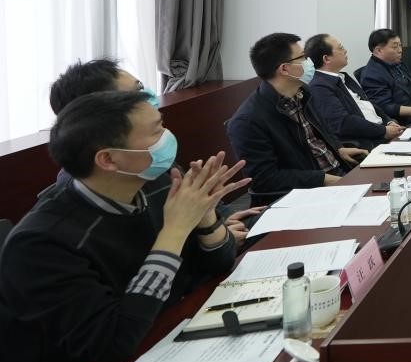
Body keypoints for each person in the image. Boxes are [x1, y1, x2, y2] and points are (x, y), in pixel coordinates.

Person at [0, 90, 248, 362]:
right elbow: (113, 341)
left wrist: (205, 215)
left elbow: (218, 264)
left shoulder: (156, 182)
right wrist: (174, 231)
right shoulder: (41, 243)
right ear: (108, 159)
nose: (167, 138)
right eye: (156, 131)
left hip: (170, 343)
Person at [46, 59, 262, 244]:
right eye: (135, 94)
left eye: (141, 87)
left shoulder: (147, 161)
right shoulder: (73, 216)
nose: (147, 96)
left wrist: (218, 219)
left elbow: (199, 207)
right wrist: (214, 233)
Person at [227, 32, 368, 203]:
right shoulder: (248, 121)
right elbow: (265, 179)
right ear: (284, 69)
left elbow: (318, 134)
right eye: (303, 57)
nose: (309, 62)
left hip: (337, 174)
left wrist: (338, 149)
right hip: (306, 195)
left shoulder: (302, 93)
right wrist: (324, 179)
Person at [304, 34, 404, 148]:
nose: (345, 51)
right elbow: (343, 123)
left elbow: (367, 104)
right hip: (369, 142)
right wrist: (384, 131)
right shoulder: (319, 87)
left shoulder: (342, 77)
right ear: (326, 59)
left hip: (383, 131)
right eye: (341, 48)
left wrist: (388, 121)